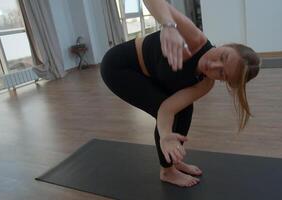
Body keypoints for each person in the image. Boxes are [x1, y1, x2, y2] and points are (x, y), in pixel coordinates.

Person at [100, 0, 260, 187]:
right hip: (119, 68)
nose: (213, 66)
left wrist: (167, 136)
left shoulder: (205, 84)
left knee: (184, 109)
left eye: (222, 73)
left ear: (225, 81)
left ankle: (172, 159)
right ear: (227, 44)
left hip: (149, 76)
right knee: (165, 109)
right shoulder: (194, 38)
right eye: (223, 56)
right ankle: (167, 171)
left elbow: (170, 108)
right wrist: (168, 25)